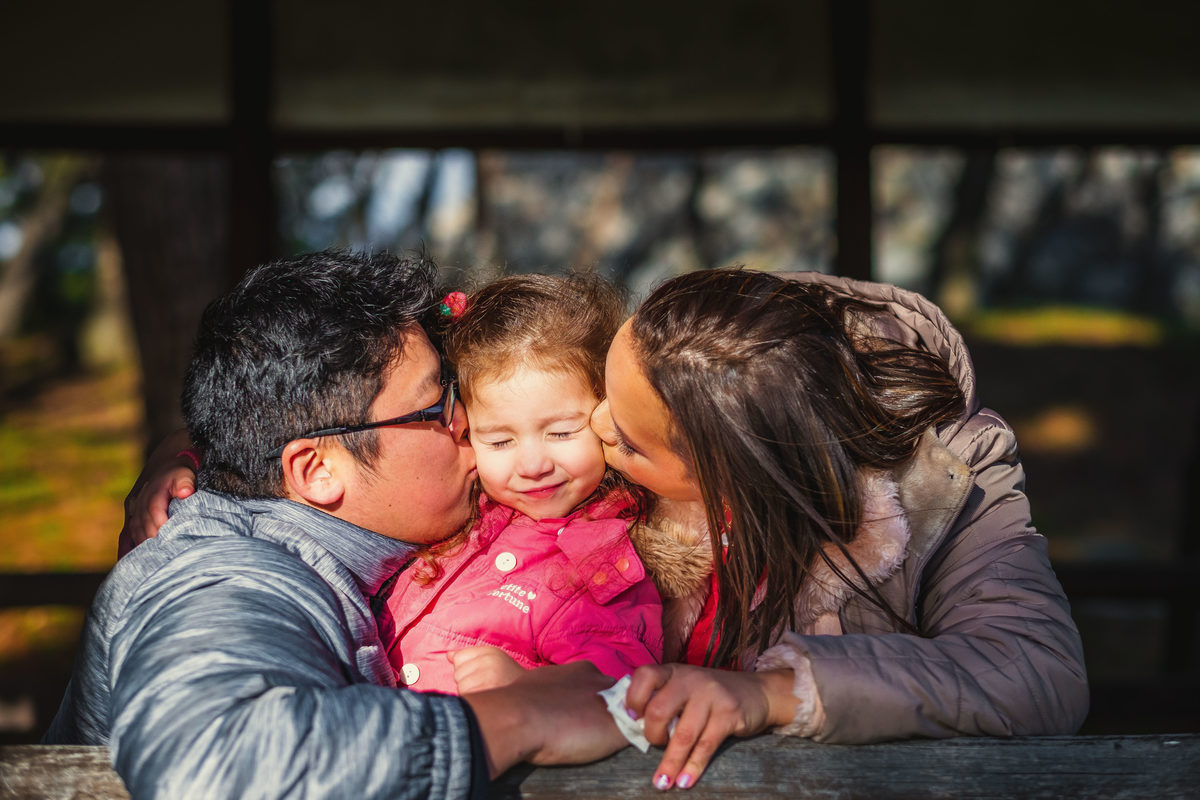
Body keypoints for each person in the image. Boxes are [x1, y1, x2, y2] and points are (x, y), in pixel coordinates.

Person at [44, 250, 626, 799]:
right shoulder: (229, 574)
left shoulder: (285, 541)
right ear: (318, 470)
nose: (469, 426)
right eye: (439, 406)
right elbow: (213, 762)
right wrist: (523, 717)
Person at [589, 268, 1090, 790]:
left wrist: (777, 693)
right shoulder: (682, 358)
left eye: (629, 443)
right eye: (604, 387)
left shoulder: (952, 465)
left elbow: (1037, 672)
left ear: (736, 474)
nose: (593, 422)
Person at [383, 274, 662, 694]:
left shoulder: (599, 570)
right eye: (500, 440)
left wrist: (531, 691)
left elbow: (628, 700)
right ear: (464, 429)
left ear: (607, 416)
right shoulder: (448, 512)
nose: (532, 465)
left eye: (561, 433)